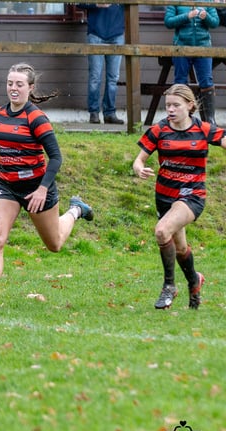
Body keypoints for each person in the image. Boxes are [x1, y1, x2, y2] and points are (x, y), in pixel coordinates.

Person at [0, 62, 94, 312]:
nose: (13, 88)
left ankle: (76, 210)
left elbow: (56, 157)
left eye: (19, 84)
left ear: (30, 88)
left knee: (54, 244)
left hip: (36, 188)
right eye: (10, 83)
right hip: (6, 185)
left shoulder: (36, 118)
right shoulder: (0, 113)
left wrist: (43, 189)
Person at [131, 84, 223, 310]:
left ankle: (169, 286)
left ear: (190, 106)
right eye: (168, 105)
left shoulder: (204, 129)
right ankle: (194, 281)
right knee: (180, 248)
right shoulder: (159, 130)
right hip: (164, 197)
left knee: (162, 231)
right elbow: (139, 159)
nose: (170, 109)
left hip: (192, 195)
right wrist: (138, 168)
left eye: (176, 105)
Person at [164, 4, 220, 124]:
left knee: (206, 81)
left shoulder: (207, 1)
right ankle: (183, 119)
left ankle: (210, 121)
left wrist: (206, 17)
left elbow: (215, 22)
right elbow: (168, 22)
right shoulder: (176, 1)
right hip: (181, 46)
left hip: (203, 46)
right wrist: (187, 16)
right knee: (180, 81)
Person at [77, 3, 125, 125]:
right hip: (96, 33)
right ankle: (94, 112)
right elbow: (79, 3)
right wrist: (96, 4)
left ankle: (110, 113)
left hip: (117, 34)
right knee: (95, 76)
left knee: (113, 78)